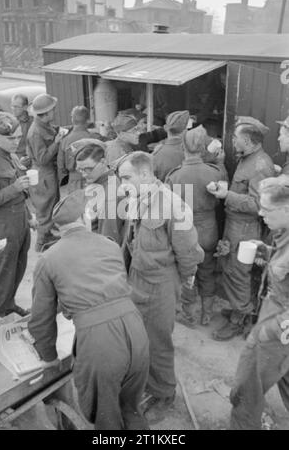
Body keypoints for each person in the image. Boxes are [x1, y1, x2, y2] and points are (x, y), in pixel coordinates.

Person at [28, 189, 150, 430]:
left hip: (101, 343)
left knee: (107, 419)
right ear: (85, 217)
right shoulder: (110, 245)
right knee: (131, 408)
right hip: (136, 330)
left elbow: (41, 319)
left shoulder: (48, 259)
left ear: (58, 228)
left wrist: (50, 358)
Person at [117, 151, 204, 422]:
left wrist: (187, 279)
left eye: (127, 178)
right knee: (139, 339)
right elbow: (130, 240)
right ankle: (145, 383)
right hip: (136, 278)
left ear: (145, 174)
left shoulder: (174, 206)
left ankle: (165, 393)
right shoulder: (137, 199)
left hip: (160, 283)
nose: (122, 185)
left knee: (158, 342)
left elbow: (189, 251)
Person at [208, 116, 275, 341]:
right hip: (236, 225)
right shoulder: (248, 158)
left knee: (239, 274)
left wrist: (227, 195)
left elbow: (258, 205)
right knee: (230, 268)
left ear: (247, 140)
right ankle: (239, 309)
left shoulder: (259, 165)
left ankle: (240, 319)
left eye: (236, 137)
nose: (232, 141)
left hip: (245, 229)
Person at [230, 178, 289, 430]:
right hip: (275, 317)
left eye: (266, 209)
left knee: (246, 387)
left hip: (277, 327)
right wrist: (266, 250)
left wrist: (269, 331)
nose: (261, 213)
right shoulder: (284, 234)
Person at [166, 125, 225, 326]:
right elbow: (220, 199)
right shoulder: (214, 172)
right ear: (202, 149)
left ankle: (189, 314)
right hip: (209, 228)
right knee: (208, 269)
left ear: (184, 148)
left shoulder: (174, 176)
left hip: (185, 231)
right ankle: (206, 314)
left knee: (187, 272)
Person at [0, 112, 31, 317]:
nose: (17, 142)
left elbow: (21, 190)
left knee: (18, 266)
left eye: (19, 136)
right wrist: (14, 187)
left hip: (20, 218)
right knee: (4, 271)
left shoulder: (11, 155)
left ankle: (8, 303)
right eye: (11, 138)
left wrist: (29, 216)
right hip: (2, 223)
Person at [27, 93, 65, 252]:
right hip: (43, 174)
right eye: (53, 110)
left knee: (50, 207)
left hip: (47, 173)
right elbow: (42, 159)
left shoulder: (43, 125)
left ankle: (48, 237)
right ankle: (41, 244)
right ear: (46, 113)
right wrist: (56, 142)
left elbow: (49, 132)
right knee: (45, 210)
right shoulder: (36, 132)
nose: (54, 112)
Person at [75, 139, 123, 244]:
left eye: (88, 169)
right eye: (80, 170)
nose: (83, 174)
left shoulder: (110, 195)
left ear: (103, 162)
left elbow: (109, 239)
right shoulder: (97, 181)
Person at [57, 106, 98, 193]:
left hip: (73, 181)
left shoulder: (65, 140)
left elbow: (61, 165)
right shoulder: (93, 138)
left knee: (75, 204)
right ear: (87, 120)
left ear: (72, 120)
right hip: (92, 179)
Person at [152, 110, 190, 182]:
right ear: (185, 130)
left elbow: (147, 190)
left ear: (165, 128)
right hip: (187, 192)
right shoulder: (193, 152)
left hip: (164, 192)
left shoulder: (157, 153)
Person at [10, 93, 33, 161]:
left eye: (16, 106)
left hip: (24, 160)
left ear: (25, 107)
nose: (13, 109)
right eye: (12, 106)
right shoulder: (8, 121)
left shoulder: (32, 123)